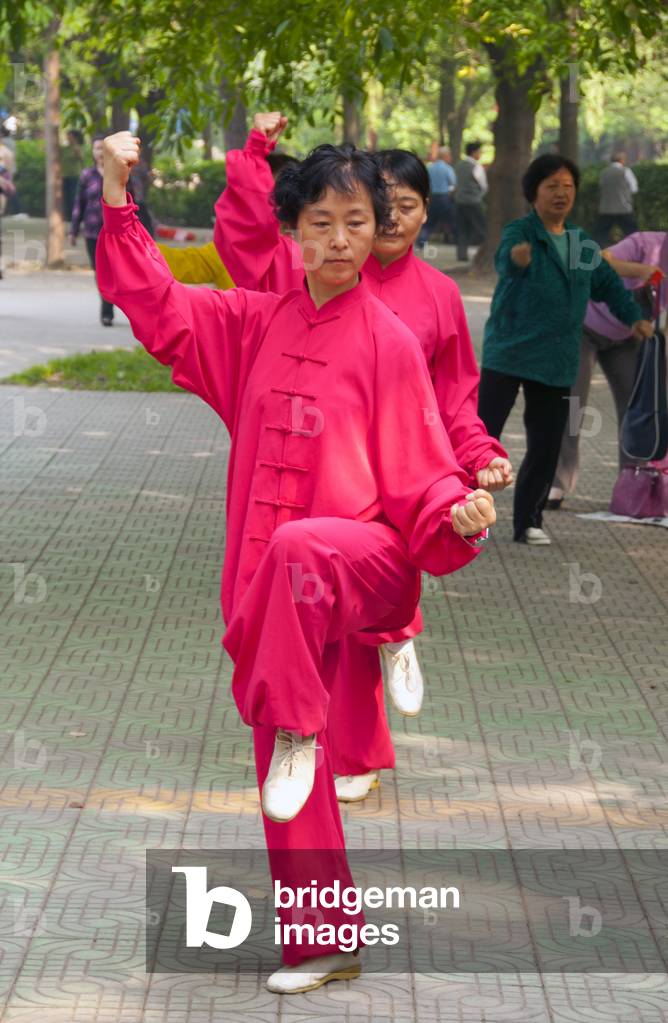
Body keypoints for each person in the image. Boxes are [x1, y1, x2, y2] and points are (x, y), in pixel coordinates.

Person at [98, 129, 496, 995]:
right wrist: (117, 193)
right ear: (295, 233)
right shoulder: (253, 323)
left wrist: (455, 507)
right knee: (287, 768)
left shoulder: (391, 339)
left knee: (299, 540)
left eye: (359, 220)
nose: (341, 238)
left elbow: (422, 473)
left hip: (367, 563)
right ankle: (324, 938)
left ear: (379, 227)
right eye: (322, 222)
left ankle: (354, 677)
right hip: (277, 599)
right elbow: (161, 305)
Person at [213, 111, 513, 804]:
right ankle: (315, 738)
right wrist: (256, 151)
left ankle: (398, 636)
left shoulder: (433, 300)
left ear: (414, 215)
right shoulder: (312, 280)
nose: (376, 226)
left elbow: (454, 397)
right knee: (317, 609)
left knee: (367, 594)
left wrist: (477, 458)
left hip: (410, 465)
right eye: (329, 219)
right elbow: (249, 242)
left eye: (397, 209)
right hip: (328, 477)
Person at [477, 153, 654, 546]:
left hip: (556, 359)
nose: (561, 194)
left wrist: (634, 320)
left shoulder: (579, 242)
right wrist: (515, 259)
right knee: (482, 436)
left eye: (568, 187)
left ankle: (528, 521)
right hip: (508, 351)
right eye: (552, 186)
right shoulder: (520, 232)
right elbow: (505, 259)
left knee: (546, 441)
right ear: (534, 193)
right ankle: (462, 514)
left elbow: (608, 285)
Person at [549, 232, 668, 507]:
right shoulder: (646, 244)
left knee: (636, 407)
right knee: (573, 403)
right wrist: (643, 271)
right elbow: (602, 260)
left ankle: (634, 483)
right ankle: (558, 483)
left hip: (627, 338)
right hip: (584, 326)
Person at [70, 133, 115, 326]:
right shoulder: (87, 175)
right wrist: (73, 230)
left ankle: (112, 304)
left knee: (114, 271)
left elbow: (134, 201)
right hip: (92, 232)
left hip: (115, 233)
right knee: (100, 272)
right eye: (96, 148)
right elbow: (78, 204)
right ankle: (106, 310)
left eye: (103, 148)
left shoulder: (119, 173)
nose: (99, 152)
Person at [593, 151, 639, 247]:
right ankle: (636, 251)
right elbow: (634, 189)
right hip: (624, 208)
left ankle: (595, 253)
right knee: (632, 233)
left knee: (600, 234)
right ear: (622, 160)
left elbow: (601, 187)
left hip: (606, 208)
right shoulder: (626, 171)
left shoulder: (604, 172)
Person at [453, 140, 487, 262]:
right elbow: (483, 186)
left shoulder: (458, 165)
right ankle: (485, 254)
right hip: (474, 201)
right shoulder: (477, 167)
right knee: (482, 227)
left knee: (462, 228)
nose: (480, 154)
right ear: (474, 152)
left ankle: (462, 255)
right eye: (479, 152)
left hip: (459, 201)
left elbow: (454, 184)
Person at [419, 145, 457, 246]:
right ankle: (459, 241)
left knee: (429, 222)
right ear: (445, 156)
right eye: (449, 155)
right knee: (452, 220)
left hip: (433, 197)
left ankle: (421, 241)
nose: (450, 157)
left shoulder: (430, 168)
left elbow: (426, 183)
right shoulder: (448, 169)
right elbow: (453, 184)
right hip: (445, 198)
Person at [62, 129, 84, 221]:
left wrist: (77, 151)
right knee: (66, 197)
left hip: (75, 176)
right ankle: (68, 217)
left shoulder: (78, 147)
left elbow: (81, 158)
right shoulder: (64, 148)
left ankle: (75, 217)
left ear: (75, 137)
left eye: (69, 136)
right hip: (65, 176)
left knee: (73, 197)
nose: (68, 138)